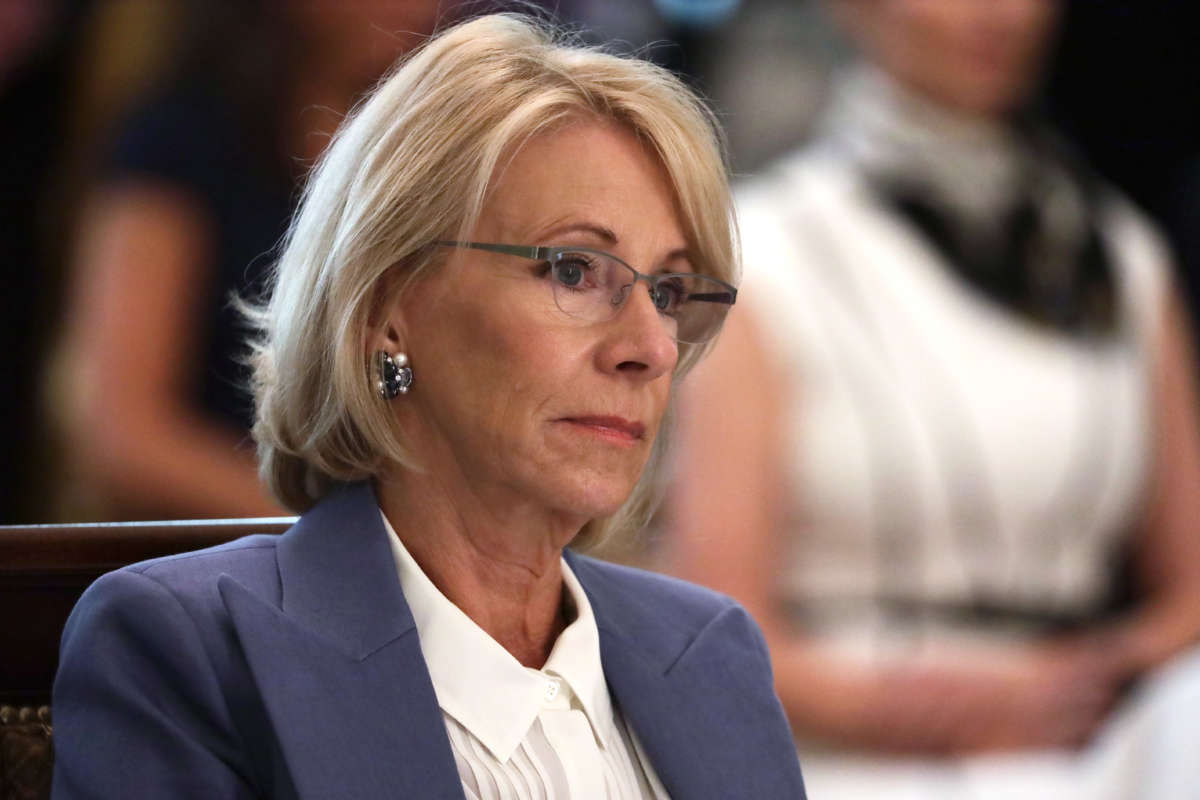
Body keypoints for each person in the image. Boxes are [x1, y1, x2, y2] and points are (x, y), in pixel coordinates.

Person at [50, 14, 807, 800]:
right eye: (575, 270)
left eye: (671, 291)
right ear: (387, 309)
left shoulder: (712, 653)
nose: (649, 347)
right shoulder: (188, 652)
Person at [664, 1, 1200, 797]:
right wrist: (923, 707)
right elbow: (710, 621)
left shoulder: (1120, 260)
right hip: (843, 759)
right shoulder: (766, 256)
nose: (999, 14)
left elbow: (1188, 590)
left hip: (1094, 741)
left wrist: (1085, 682)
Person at [56, 0, 440, 519]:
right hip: (230, 555)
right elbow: (123, 438)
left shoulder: (450, 144)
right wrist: (342, 532)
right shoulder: (177, 143)